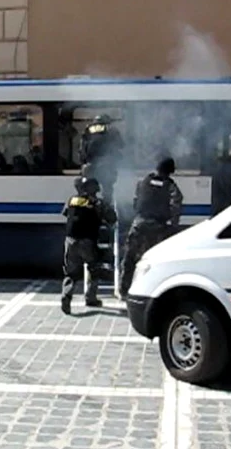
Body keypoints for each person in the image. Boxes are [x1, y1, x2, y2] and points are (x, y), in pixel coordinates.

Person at [120, 156, 183, 297]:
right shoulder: (170, 185)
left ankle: (124, 290)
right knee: (155, 260)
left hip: (139, 223)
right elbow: (176, 206)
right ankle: (152, 291)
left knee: (130, 257)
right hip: (158, 227)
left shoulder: (143, 181)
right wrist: (173, 225)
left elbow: (136, 201)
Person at [60, 176, 117, 314]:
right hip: (87, 241)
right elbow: (112, 218)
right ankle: (91, 298)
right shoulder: (97, 203)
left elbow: (65, 214)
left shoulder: (72, 200)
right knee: (93, 268)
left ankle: (66, 295)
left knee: (71, 273)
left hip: (70, 240)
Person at [79, 114, 124, 205]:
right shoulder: (111, 130)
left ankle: (88, 206)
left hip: (90, 165)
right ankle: (106, 207)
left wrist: (85, 162)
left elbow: (82, 149)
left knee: (87, 189)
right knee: (107, 189)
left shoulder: (88, 129)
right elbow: (121, 145)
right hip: (106, 165)